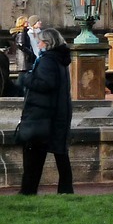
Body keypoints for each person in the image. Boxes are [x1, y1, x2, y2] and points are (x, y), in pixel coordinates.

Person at [17, 28, 75, 195]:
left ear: (48, 43)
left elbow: (45, 84)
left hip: (43, 114)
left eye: (41, 41)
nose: (38, 43)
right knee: (59, 153)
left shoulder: (48, 60)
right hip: (56, 113)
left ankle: (28, 190)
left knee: (33, 153)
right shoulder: (59, 60)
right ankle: (65, 190)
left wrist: (26, 79)